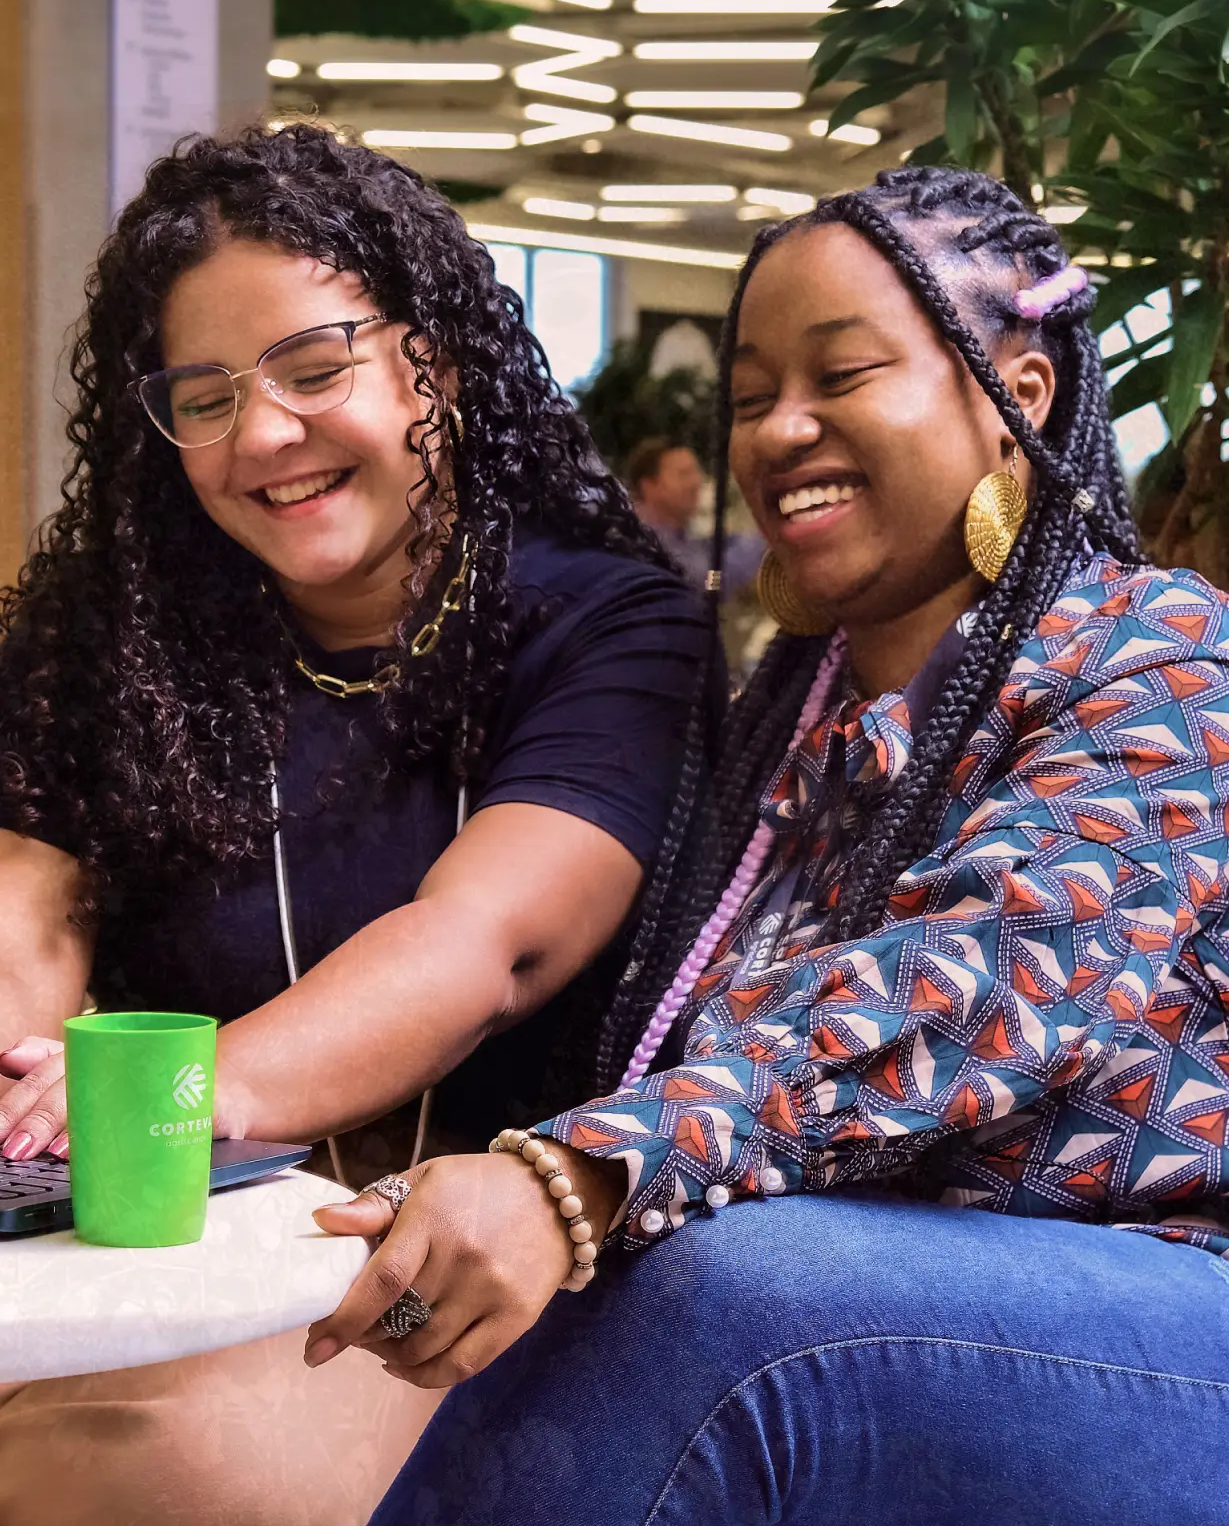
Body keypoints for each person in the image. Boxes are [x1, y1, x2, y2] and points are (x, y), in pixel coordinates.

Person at [307, 167, 1229, 1525]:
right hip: (899, 1323)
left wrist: (578, 1172)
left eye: (841, 374)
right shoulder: (788, 728)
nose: (781, 428)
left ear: (1016, 397)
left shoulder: (1161, 663)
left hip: (1160, 1312)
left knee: (735, 1293)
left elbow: (967, 1002)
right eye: (748, 398)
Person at [0, 124, 717, 1526]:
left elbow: (484, 945)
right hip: (156, 1244)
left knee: (127, 1463)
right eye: (200, 398)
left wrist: (169, 1102)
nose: (263, 434)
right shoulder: (117, 634)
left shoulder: (609, 627)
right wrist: (23, 1078)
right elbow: (30, 901)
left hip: (450, 1264)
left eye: (314, 371)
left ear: (427, 366)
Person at [628, 433, 762, 597]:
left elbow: (706, 547)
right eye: (684, 474)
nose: (696, 482)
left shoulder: (672, 533)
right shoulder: (646, 544)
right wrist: (765, 536)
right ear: (649, 486)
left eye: (696, 471)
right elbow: (711, 581)